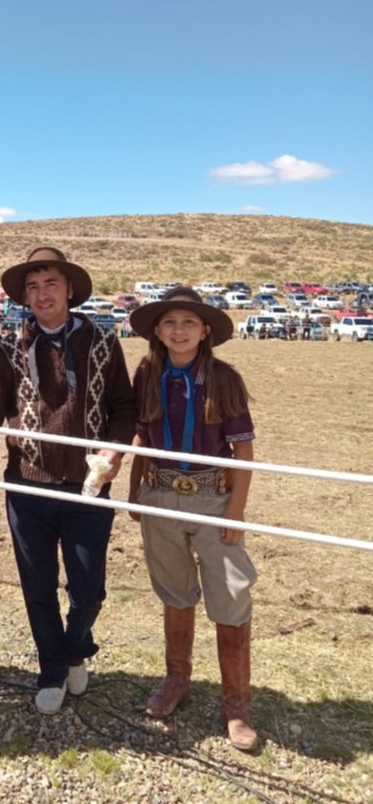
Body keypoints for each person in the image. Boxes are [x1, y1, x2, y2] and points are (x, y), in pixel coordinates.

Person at [0, 247, 135, 715]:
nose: (42, 294)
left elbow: (123, 407)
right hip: (27, 485)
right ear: (24, 297)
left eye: (50, 284)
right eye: (32, 287)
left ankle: (75, 649)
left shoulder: (104, 342)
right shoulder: (9, 347)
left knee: (89, 589)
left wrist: (114, 448)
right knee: (38, 585)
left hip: (88, 485)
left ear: (69, 290)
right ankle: (51, 669)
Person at [127, 286, 258, 751]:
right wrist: (133, 489)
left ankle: (236, 705)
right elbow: (140, 434)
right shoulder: (147, 374)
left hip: (212, 499)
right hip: (159, 495)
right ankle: (177, 680)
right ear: (157, 332)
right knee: (175, 591)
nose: (177, 330)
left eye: (187, 323)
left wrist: (236, 512)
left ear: (205, 331)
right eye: (169, 323)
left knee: (230, 596)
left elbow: (243, 449)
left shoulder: (224, 379)